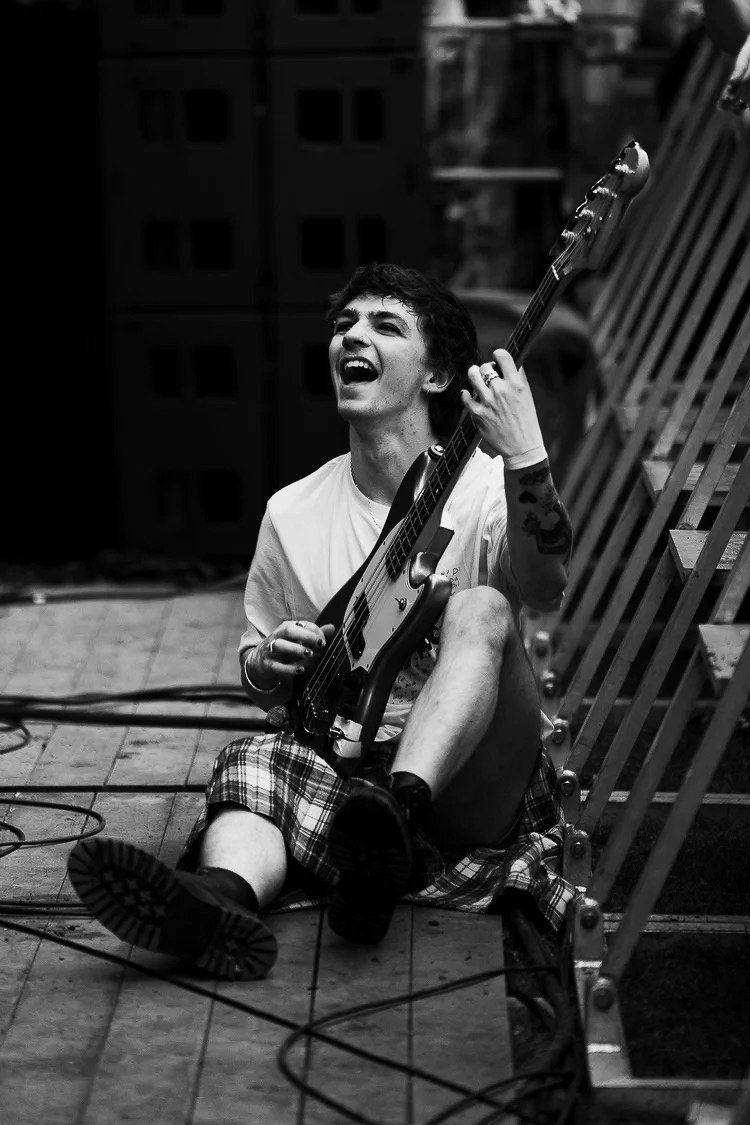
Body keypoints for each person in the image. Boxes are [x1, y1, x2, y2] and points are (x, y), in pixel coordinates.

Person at [67, 263, 577, 981]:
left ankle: (396, 816)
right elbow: (260, 674)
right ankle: (220, 901)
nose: (353, 337)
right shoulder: (291, 511)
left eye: (384, 325)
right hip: (349, 778)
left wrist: (527, 454)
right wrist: (268, 661)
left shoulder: (492, 488)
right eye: (344, 325)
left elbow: (547, 585)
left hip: (473, 785)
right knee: (255, 758)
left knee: (483, 605)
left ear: (436, 375)